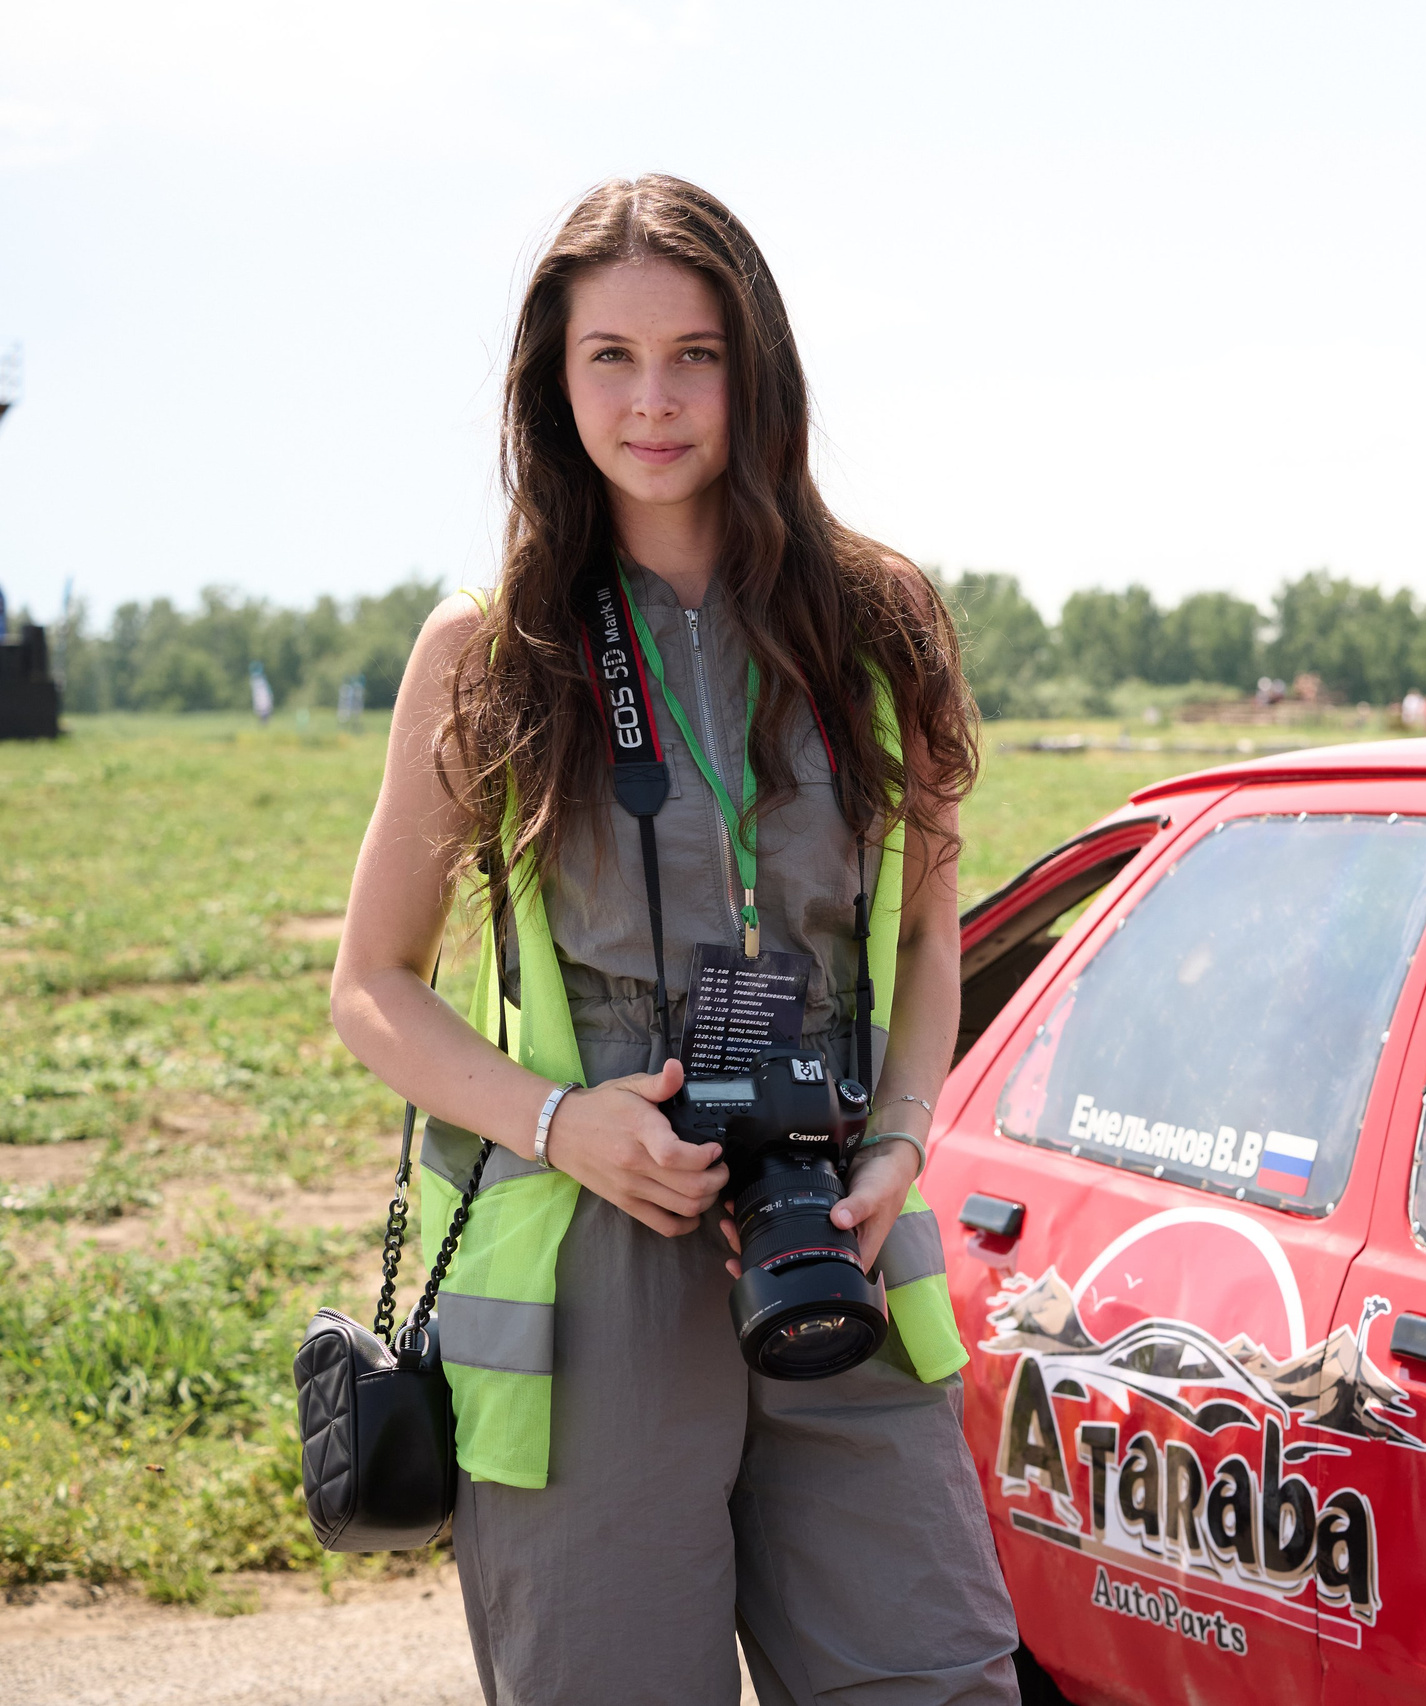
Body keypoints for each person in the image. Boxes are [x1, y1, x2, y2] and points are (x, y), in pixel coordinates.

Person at [332, 176, 1019, 1706]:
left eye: (696, 353)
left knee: (941, 1681)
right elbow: (372, 989)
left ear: (755, 367)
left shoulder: (880, 618)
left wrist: (899, 1142)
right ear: (551, 380)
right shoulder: (490, 643)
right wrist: (566, 1126)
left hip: (829, 1226)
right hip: (595, 1267)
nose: (655, 401)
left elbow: (922, 938)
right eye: (611, 358)